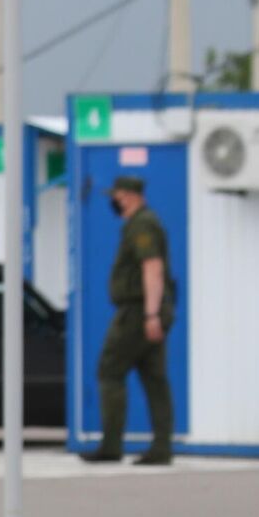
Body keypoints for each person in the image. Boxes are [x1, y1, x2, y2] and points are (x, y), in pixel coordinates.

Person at [82, 174, 176, 466]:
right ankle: (161, 448)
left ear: (128, 195)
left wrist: (150, 314)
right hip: (148, 311)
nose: (115, 200)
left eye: (118, 195)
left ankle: (111, 446)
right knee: (154, 378)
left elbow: (153, 268)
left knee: (109, 372)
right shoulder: (143, 222)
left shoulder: (142, 224)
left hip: (137, 312)